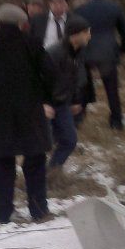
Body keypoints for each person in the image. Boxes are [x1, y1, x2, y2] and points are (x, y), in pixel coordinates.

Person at [0, 4, 56, 224]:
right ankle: (38, 209)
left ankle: (1, 212)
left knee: (3, 165)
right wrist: (48, 100)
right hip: (31, 112)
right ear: (21, 24)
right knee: (35, 162)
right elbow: (51, 74)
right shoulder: (32, 44)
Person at [75, 0, 125, 129]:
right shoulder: (114, 7)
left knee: (83, 86)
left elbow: (74, 33)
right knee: (111, 88)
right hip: (108, 52)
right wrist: (122, 49)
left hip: (86, 52)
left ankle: (79, 118)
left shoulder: (81, 10)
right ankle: (116, 121)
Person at [45, 15, 91, 173]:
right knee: (44, 143)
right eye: (86, 32)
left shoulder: (80, 52)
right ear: (75, 34)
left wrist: (76, 100)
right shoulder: (54, 53)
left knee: (69, 140)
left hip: (63, 102)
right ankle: (35, 178)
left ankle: (52, 172)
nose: (89, 36)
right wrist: (44, 103)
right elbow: (38, 79)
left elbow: (77, 77)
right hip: (47, 104)